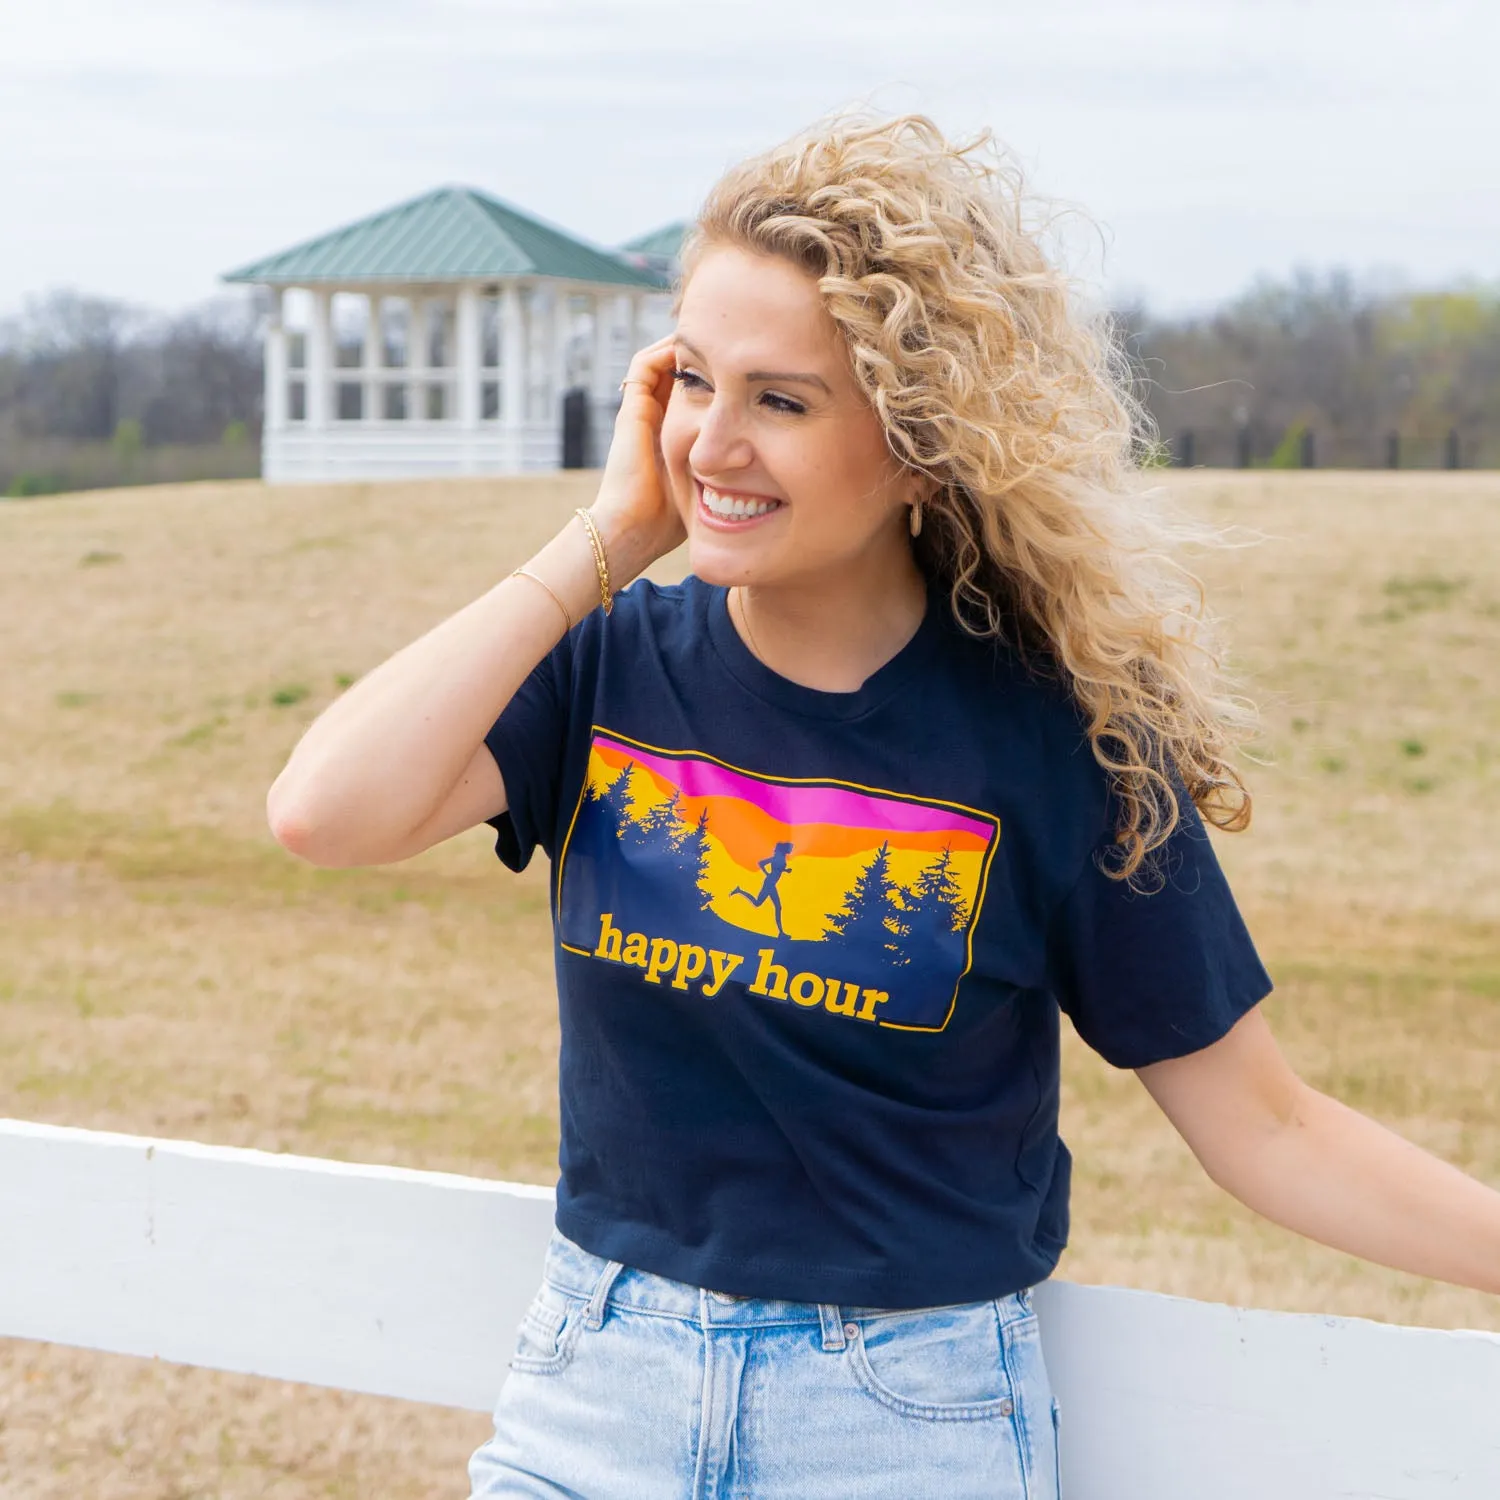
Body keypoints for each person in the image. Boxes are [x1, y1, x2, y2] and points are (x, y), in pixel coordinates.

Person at [266, 114, 1500, 1500]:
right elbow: (325, 812)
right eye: (690, 381)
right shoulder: (609, 666)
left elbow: (1267, 1128)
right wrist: (603, 543)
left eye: (780, 401)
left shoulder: (1061, 741)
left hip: (900, 1423)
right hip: (594, 1393)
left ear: (919, 445)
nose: (712, 444)